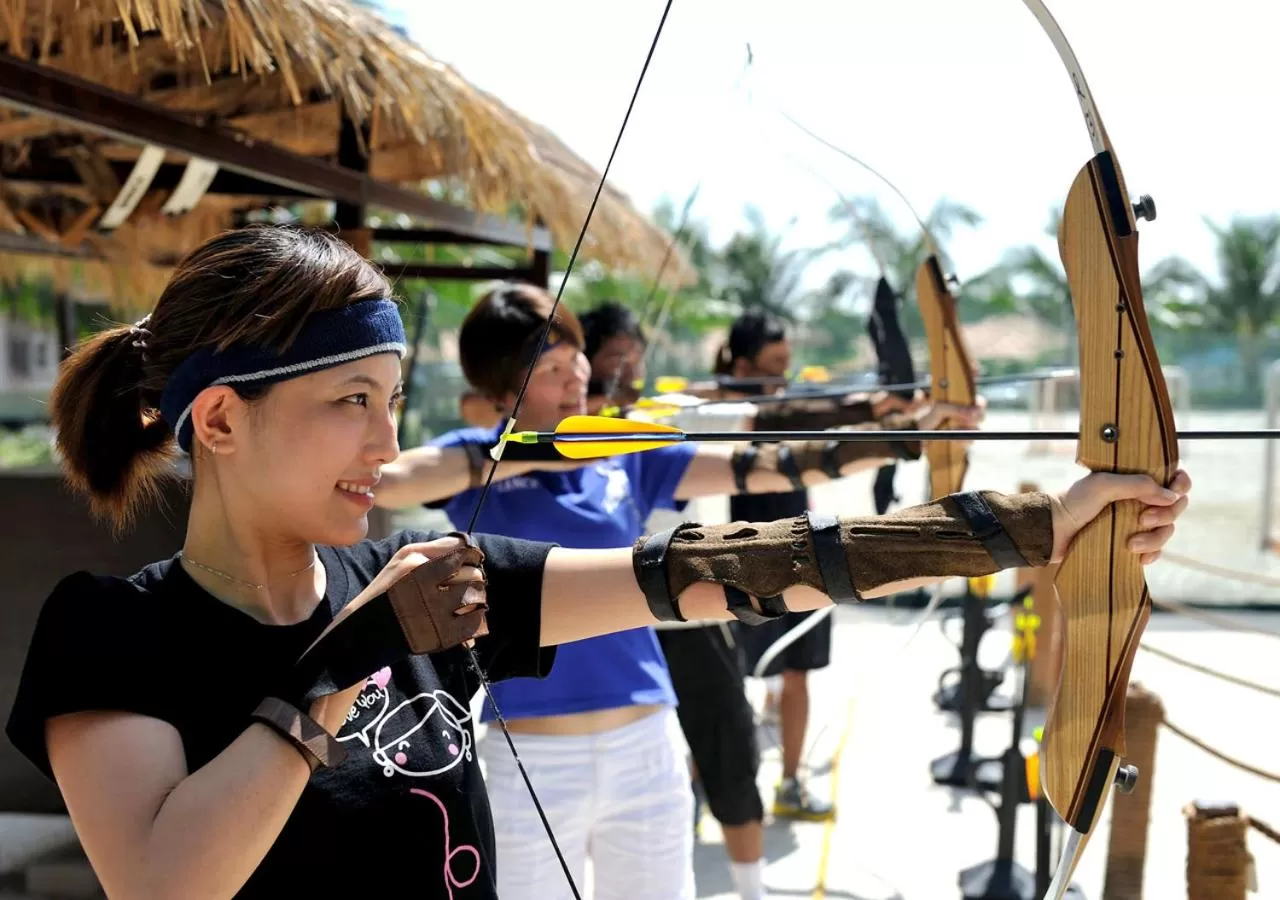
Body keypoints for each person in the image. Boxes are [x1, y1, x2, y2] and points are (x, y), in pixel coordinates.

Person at [4, 226, 1191, 900]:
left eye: (395, 401)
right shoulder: (112, 631)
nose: (385, 443)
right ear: (217, 422)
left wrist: (1034, 522)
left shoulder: (444, 581)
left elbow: (732, 566)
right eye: (350, 402)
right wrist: (347, 656)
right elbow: (167, 884)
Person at [377, 286, 1015, 900]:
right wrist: (540, 453)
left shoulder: (623, 452)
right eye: (551, 369)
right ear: (501, 389)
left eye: (575, 360)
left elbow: (777, 465)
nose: (576, 378)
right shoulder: (471, 460)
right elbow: (387, 480)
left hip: (643, 742)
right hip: (532, 756)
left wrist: (905, 436)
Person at [580, 301, 923, 900]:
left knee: (730, 747)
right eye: (613, 359)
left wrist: (875, 412)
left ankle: (749, 890)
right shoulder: (562, 440)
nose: (627, 373)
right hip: (604, 615)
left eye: (635, 359)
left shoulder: (664, 418)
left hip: (682, 610)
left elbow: (774, 416)